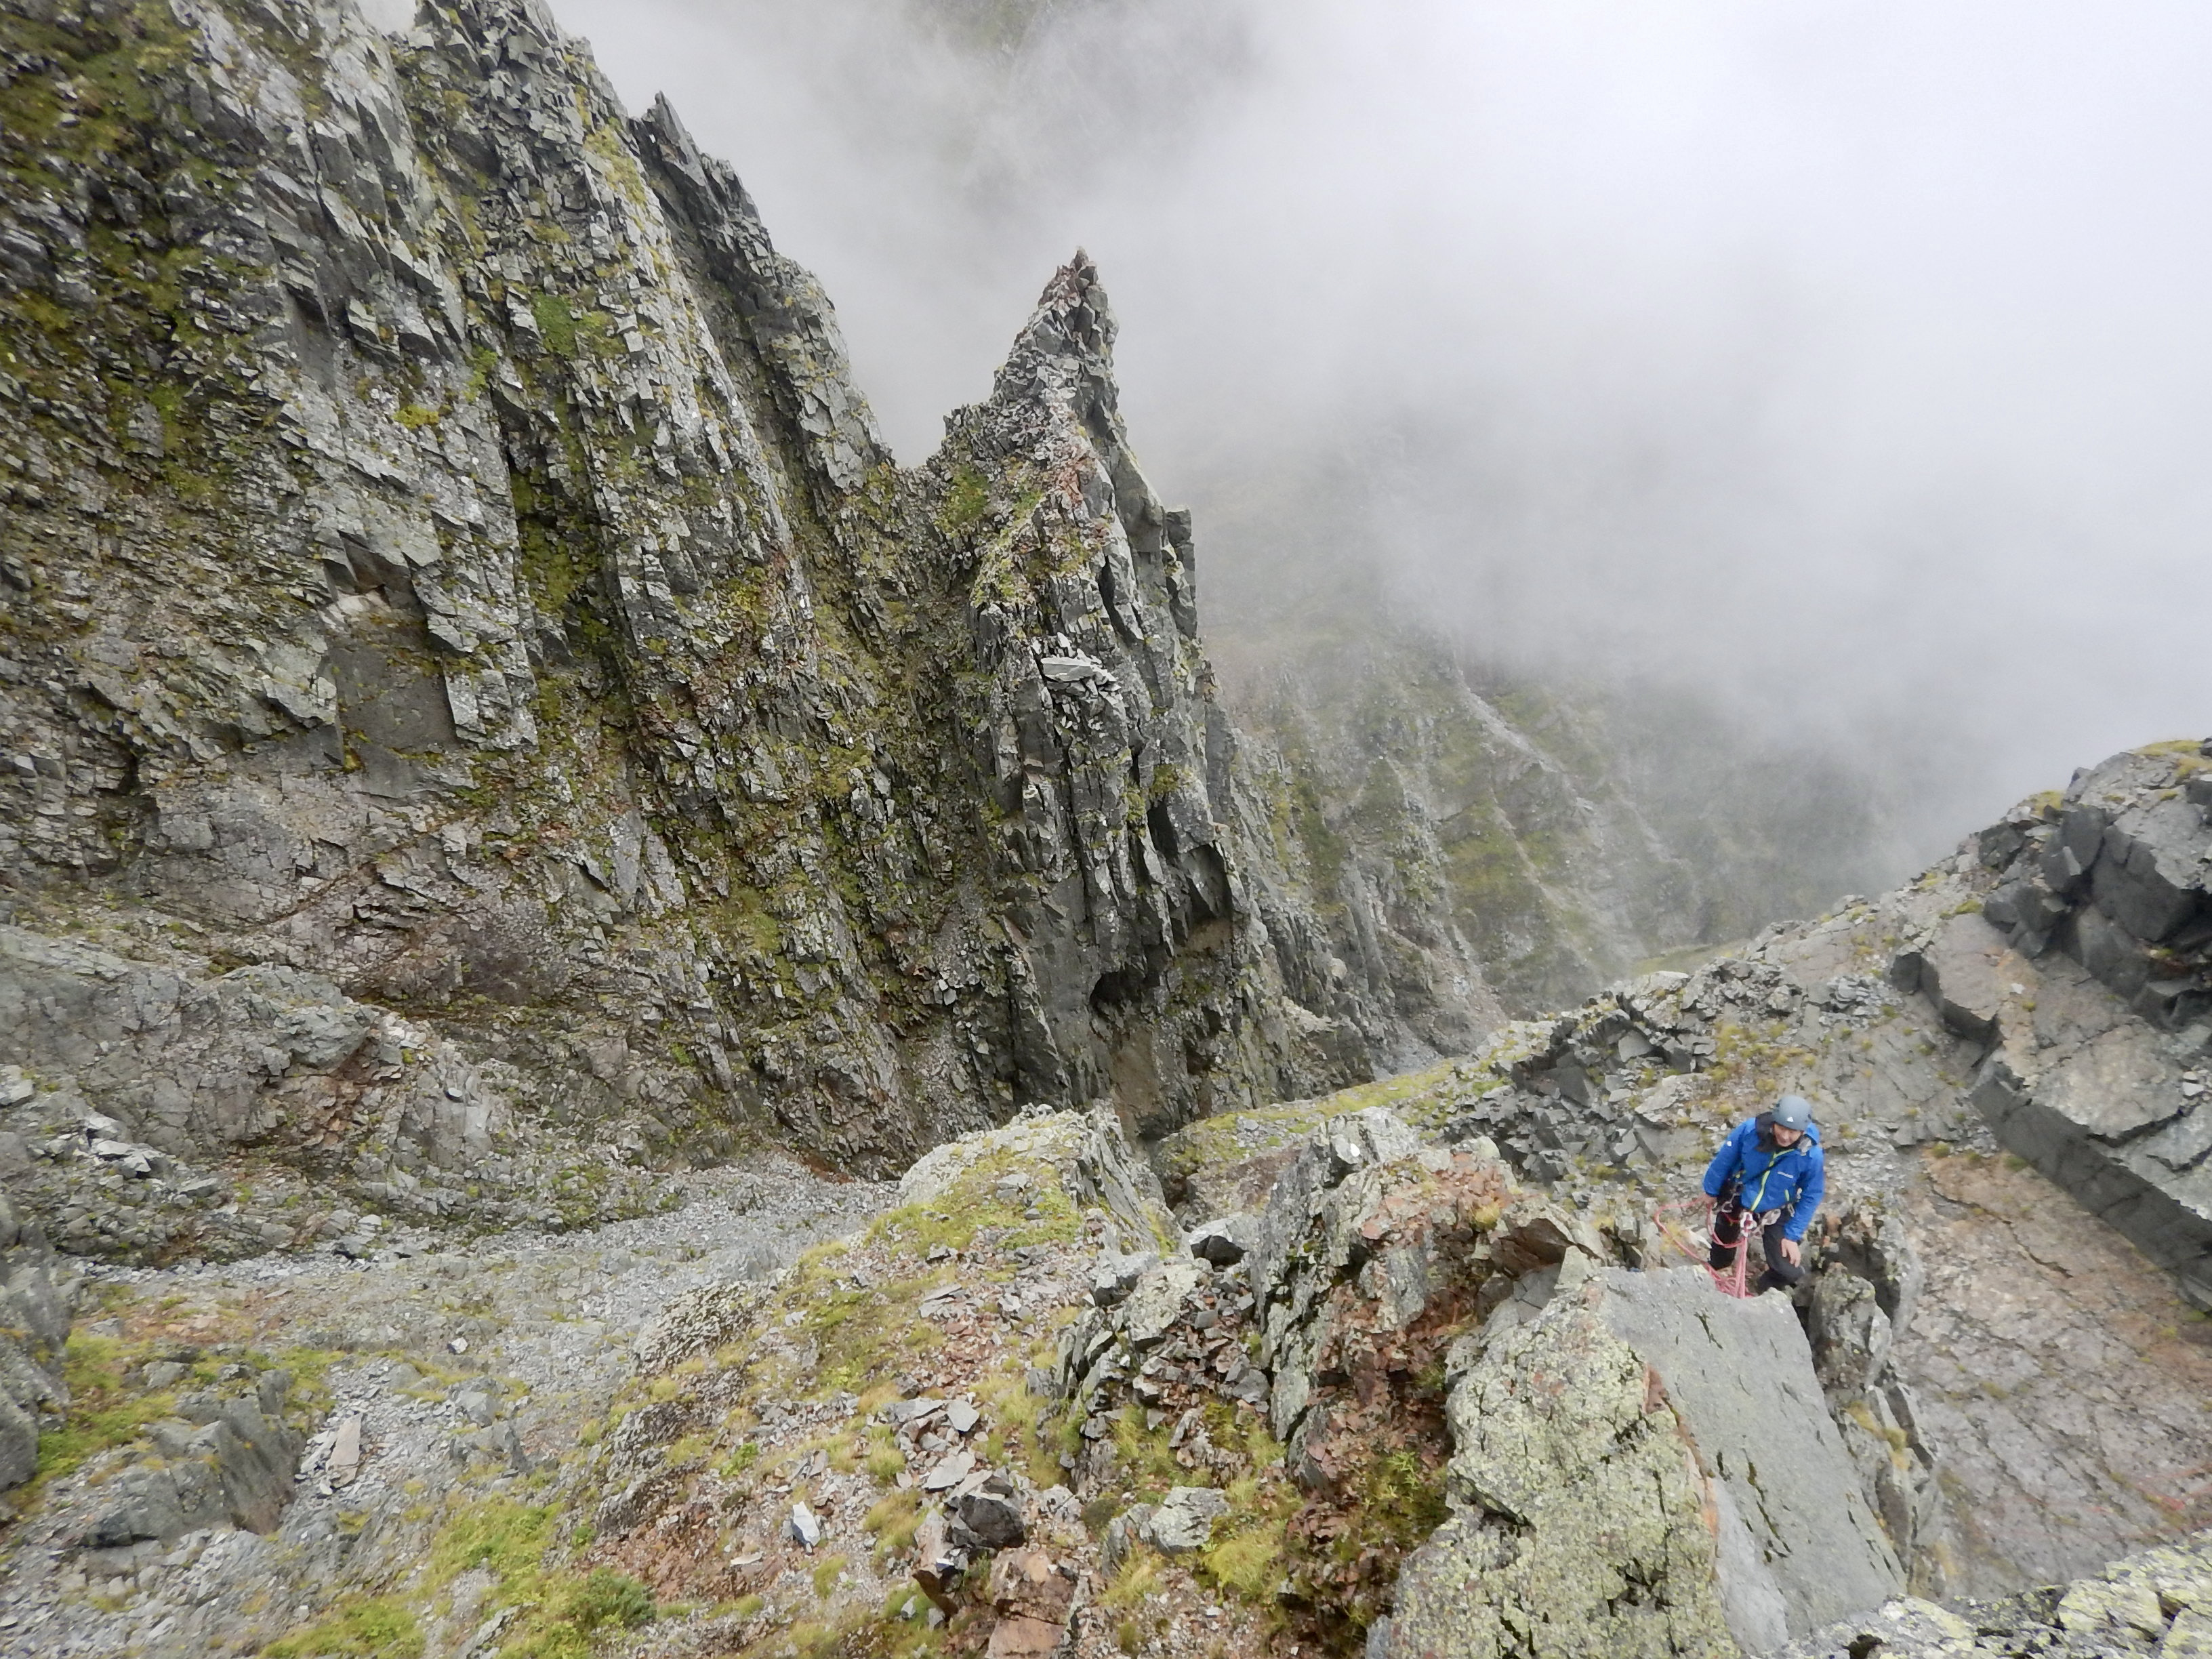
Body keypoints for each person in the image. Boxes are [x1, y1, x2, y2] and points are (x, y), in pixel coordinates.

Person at [1702, 1094, 1825, 1293]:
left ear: (1803, 1131)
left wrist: (1792, 1236)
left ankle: (1764, 1288)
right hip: (1739, 1196)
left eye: (1793, 1132)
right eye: (1782, 1128)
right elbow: (1724, 1159)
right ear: (1774, 1122)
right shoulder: (1751, 1131)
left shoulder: (1810, 1155)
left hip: (1775, 1208)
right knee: (1722, 1246)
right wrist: (1711, 1189)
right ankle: (1718, 1271)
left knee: (1789, 1272)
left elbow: (1812, 1194)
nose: (1785, 1136)